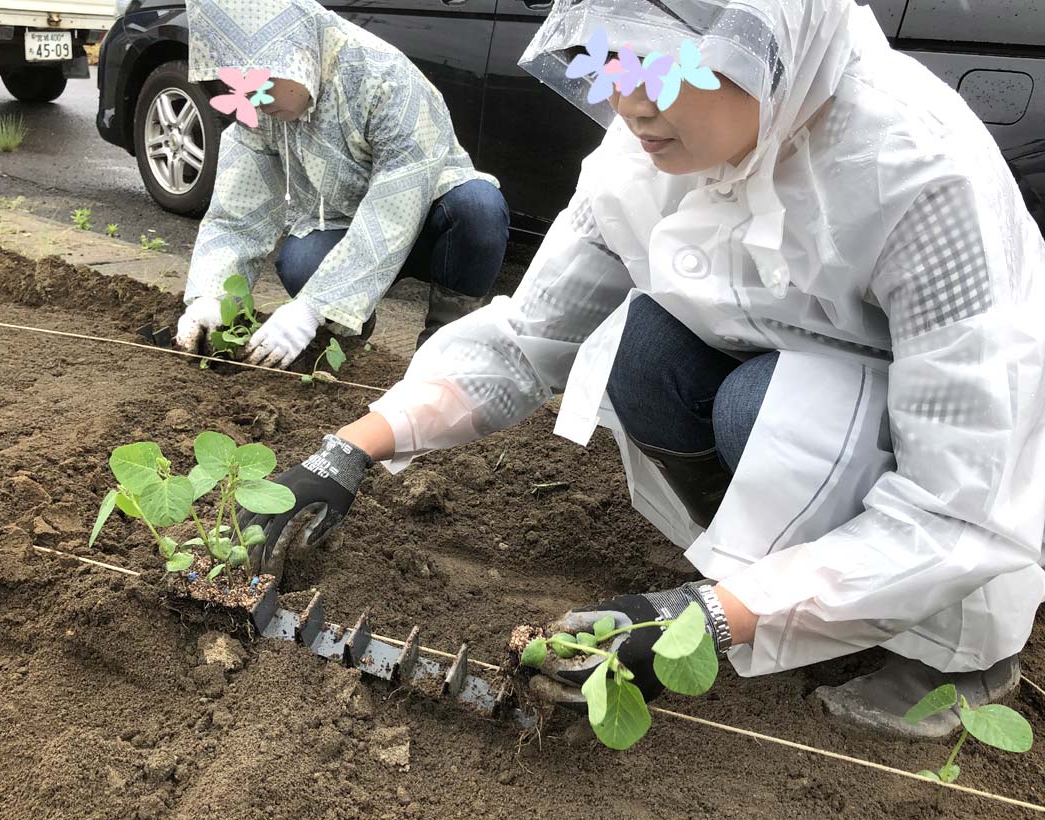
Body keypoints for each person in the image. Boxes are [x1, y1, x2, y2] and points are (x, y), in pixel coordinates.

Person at [240, 0, 1045, 738]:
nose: (631, 104)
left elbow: (955, 496)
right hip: (786, 373)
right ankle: (757, 579)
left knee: (763, 411)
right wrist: (350, 448)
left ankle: (958, 656)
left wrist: (702, 622)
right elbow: (528, 338)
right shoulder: (639, 152)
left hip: (949, 436)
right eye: (612, 61)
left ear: (769, 49)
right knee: (643, 348)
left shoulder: (916, 172)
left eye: (663, 65)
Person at [176, 0, 510, 365]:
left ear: (299, 56)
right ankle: (345, 347)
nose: (254, 99)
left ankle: (445, 352)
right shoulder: (262, 106)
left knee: (480, 208)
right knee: (301, 261)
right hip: (345, 222)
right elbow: (237, 216)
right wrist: (210, 297)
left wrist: (312, 307)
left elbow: (393, 212)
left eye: (262, 82)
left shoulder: (384, 78)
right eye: (241, 85)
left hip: (432, 216)